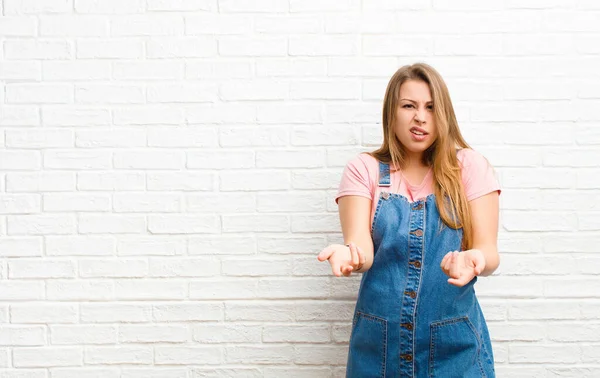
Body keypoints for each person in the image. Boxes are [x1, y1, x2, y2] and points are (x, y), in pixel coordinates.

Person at [317, 63, 501, 377]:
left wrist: (476, 259)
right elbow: (361, 246)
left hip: (455, 349)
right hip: (379, 349)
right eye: (408, 106)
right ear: (392, 112)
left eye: (431, 107)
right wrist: (350, 254)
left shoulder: (469, 167)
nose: (420, 117)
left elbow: (489, 252)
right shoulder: (365, 170)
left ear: (444, 113)